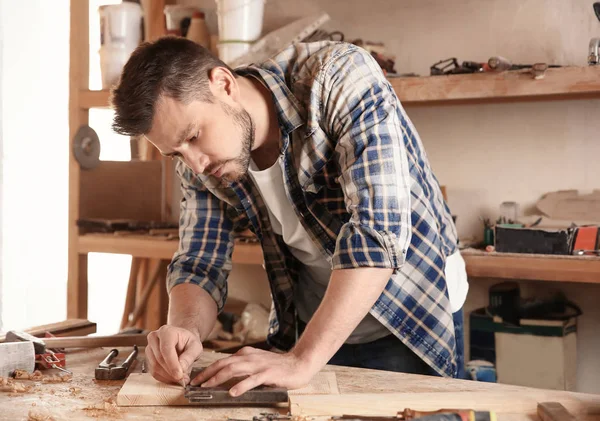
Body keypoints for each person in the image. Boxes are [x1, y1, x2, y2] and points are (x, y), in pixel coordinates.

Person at [110, 36, 469, 397]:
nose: (196, 165)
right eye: (176, 153)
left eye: (193, 136)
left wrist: (302, 360)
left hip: (409, 313)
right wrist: (186, 329)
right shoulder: (201, 162)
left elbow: (377, 234)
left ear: (223, 84)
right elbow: (199, 262)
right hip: (311, 327)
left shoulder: (338, 77)